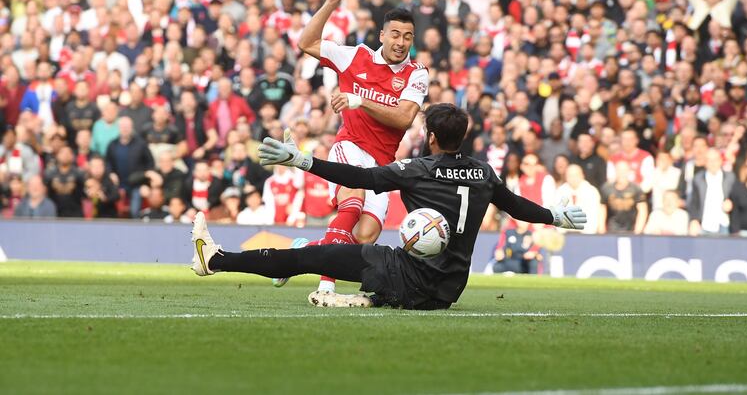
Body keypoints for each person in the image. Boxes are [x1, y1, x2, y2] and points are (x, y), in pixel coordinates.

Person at [191, 103, 585, 309]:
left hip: (405, 274)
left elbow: (358, 179)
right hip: (449, 289)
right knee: (329, 257)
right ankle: (372, 299)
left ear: (431, 136)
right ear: (462, 137)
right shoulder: (484, 174)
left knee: (310, 259)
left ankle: (217, 260)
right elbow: (515, 206)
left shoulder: (417, 169)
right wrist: (555, 216)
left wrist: (302, 160)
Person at [290, 0, 429, 296]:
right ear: (383, 34)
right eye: (395, 34)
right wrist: (331, 3)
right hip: (350, 145)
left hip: (382, 164)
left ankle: (302, 253)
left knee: (364, 236)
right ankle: (326, 288)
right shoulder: (355, 56)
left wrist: (359, 100)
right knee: (352, 200)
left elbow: (405, 117)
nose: (400, 42)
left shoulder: (416, 73)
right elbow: (306, 43)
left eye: (407, 36)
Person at [687, 148, 736, 236]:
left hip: (723, 224)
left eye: (715, 160)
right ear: (705, 162)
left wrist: (731, 204)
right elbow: (694, 202)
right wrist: (694, 220)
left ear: (721, 161)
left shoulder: (730, 177)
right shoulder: (698, 179)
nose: (713, 163)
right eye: (709, 160)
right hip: (704, 225)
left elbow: (736, 198)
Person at [598, 161, 648, 234]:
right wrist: (601, 227)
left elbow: (642, 210)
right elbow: (602, 208)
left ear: (628, 172)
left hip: (632, 228)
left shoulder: (636, 188)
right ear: (615, 171)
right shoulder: (607, 188)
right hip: (613, 228)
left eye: (624, 170)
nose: (621, 173)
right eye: (619, 170)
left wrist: (638, 230)